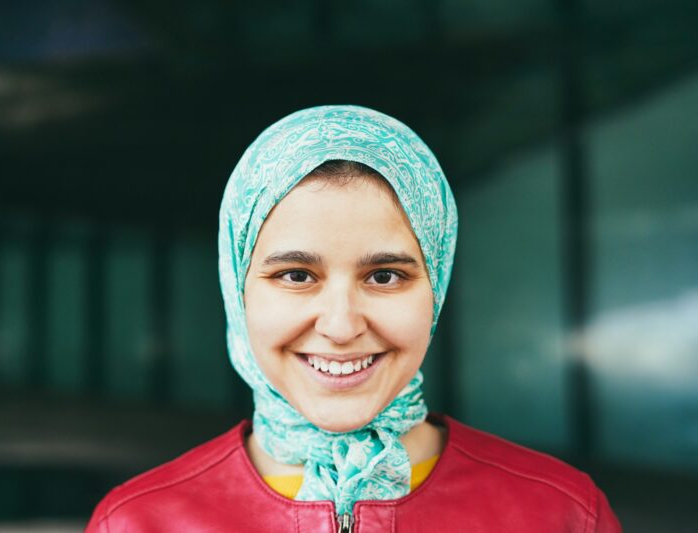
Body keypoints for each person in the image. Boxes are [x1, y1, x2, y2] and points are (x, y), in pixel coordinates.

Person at [86, 106, 621, 532]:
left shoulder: (561, 516)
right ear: (236, 290)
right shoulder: (138, 523)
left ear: (436, 287)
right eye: (296, 275)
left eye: (385, 276)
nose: (341, 327)